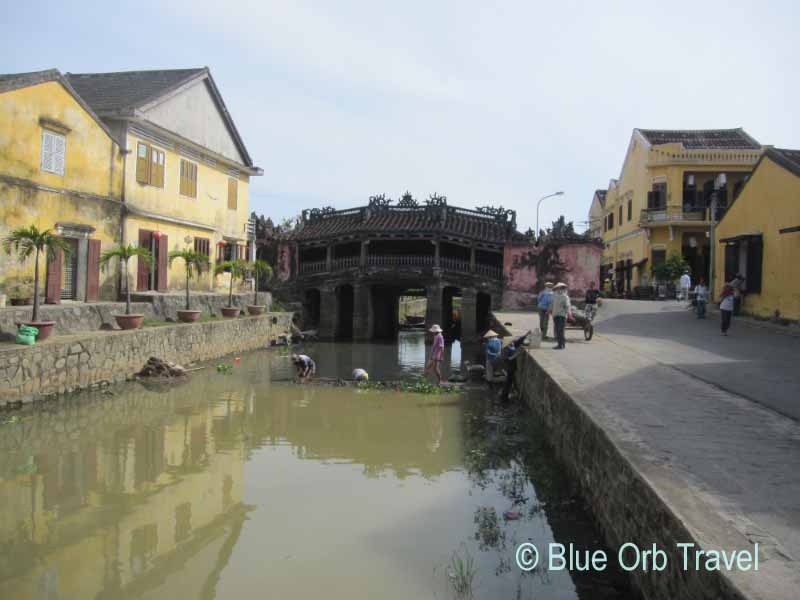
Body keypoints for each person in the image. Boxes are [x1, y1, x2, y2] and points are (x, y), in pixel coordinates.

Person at [549, 282, 571, 350]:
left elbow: (567, 306)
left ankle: (561, 345)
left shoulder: (565, 297)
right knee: (558, 330)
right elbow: (552, 304)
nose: (559, 289)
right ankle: (561, 344)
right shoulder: (554, 296)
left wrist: (569, 314)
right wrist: (549, 310)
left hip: (562, 315)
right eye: (558, 288)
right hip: (555, 315)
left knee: (560, 330)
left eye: (561, 288)